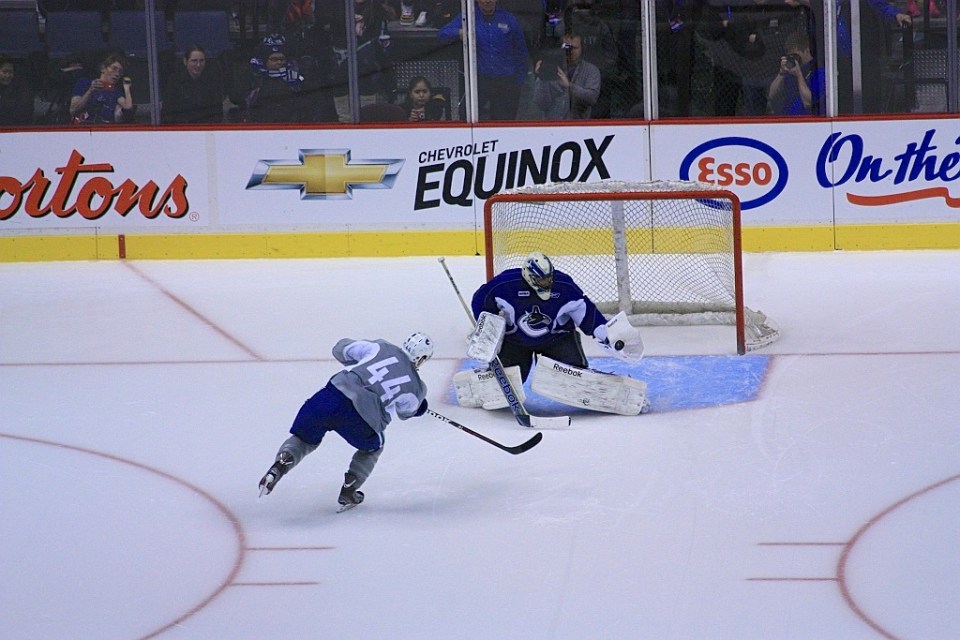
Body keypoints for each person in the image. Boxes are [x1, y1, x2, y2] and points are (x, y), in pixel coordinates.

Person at [258, 332, 433, 511]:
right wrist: (420, 406)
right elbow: (407, 412)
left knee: (304, 438)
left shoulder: (380, 346)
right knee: (374, 447)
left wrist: (358, 366)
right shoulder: (417, 388)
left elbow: (340, 349)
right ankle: (350, 488)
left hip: (330, 397)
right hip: (361, 420)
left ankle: (280, 465)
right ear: (422, 358)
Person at [470, 251, 611, 383]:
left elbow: (585, 311)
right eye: (541, 280)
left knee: (572, 375)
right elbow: (480, 301)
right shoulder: (505, 285)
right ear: (528, 276)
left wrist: (602, 330)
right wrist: (488, 330)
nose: (547, 283)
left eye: (549, 278)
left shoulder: (564, 286)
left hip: (556, 340)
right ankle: (487, 382)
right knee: (509, 379)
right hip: (516, 342)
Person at [437, 0, 529, 121]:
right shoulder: (468, 17)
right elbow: (442, 34)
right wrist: (459, 32)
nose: (487, 1)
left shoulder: (509, 19)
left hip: (506, 81)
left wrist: (519, 81)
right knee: (467, 117)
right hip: (479, 81)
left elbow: (521, 50)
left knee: (504, 120)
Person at [239, 34, 311, 123]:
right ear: (265, 60)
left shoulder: (295, 75)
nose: (279, 62)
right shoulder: (255, 76)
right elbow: (239, 97)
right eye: (274, 59)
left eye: (282, 59)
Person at [533, 32, 601, 119]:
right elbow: (541, 104)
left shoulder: (591, 70)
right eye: (566, 47)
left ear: (582, 48)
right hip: (552, 126)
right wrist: (542, 77)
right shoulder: (551, 68)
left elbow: (592, 99)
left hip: (579, 126)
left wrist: (569, 86)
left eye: (574, 48)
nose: (570, 51)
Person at [161, 45, 226, 124]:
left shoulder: (212, 81)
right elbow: (167, 113)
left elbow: (217, 111)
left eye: (201, 61)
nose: (198, 65)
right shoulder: (174, 82)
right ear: (185, 61)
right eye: (194, 61)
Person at [767, 31, 825, 115]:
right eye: (791, 56)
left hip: (808, 121)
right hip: (788, 119)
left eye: (796, 55)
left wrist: (799, 75)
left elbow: (808, 102)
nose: (794, 58)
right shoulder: (790, 70)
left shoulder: (819, 71)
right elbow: (771, 94)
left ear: (806, 51)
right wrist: (781, 73)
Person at [68, 53, 135, 125]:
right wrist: (90, 90)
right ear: (103, 68)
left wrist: (127, 88)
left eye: (120, 72)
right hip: (83, 129)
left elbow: (128, 107)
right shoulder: (85, 83)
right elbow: (73, 110)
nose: (117, 74)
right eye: (114, 69)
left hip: (104, 131)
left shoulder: (115, 91)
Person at [0, 56, 35, 126]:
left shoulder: (22, 90)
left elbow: (23, 113)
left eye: (10, 72)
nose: (7, 75)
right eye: (4, 72)